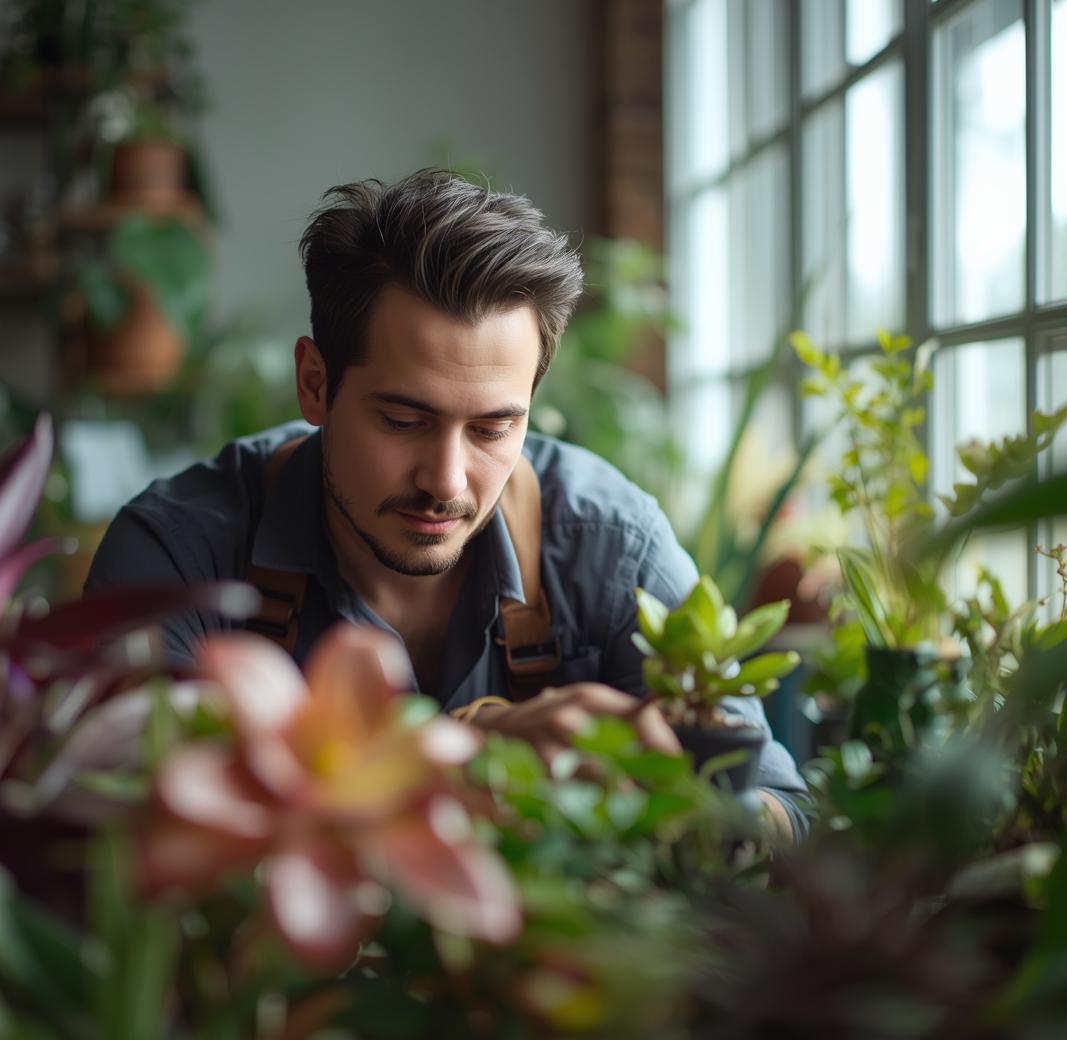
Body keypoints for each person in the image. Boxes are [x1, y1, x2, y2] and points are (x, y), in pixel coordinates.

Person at [85, 169, 809, 840]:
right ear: (314, 383)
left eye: (495, 428)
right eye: (403, 421)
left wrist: (713, 817)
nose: (448, 480)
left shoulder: (613, 542)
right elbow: (120, 827)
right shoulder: (179, 553)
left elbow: (788, 811)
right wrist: (462, 757)